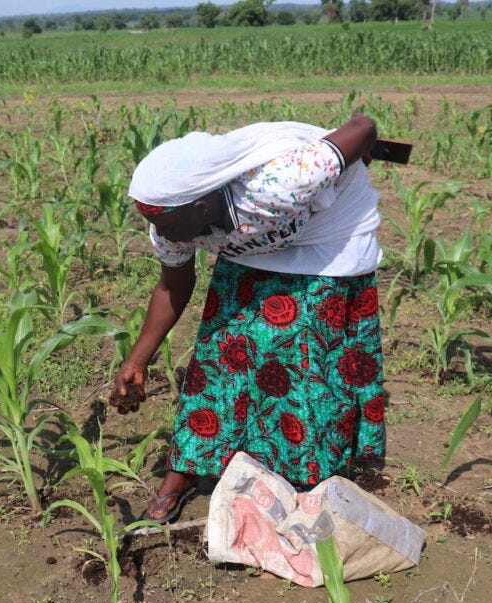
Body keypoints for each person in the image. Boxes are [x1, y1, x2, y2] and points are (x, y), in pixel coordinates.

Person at [110, 112, 387, 522]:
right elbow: (173, 285)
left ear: (202, 202)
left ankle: (302, 482)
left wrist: (358, 152)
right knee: (220, 356)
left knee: (298, 359)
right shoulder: (172, 222)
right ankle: (188, 468)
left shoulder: (279, 184)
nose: (162, 233)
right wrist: (136, 361)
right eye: (153, 223)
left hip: (328, 238)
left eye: (166, 223)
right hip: (252, 244)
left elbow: (362, 126)